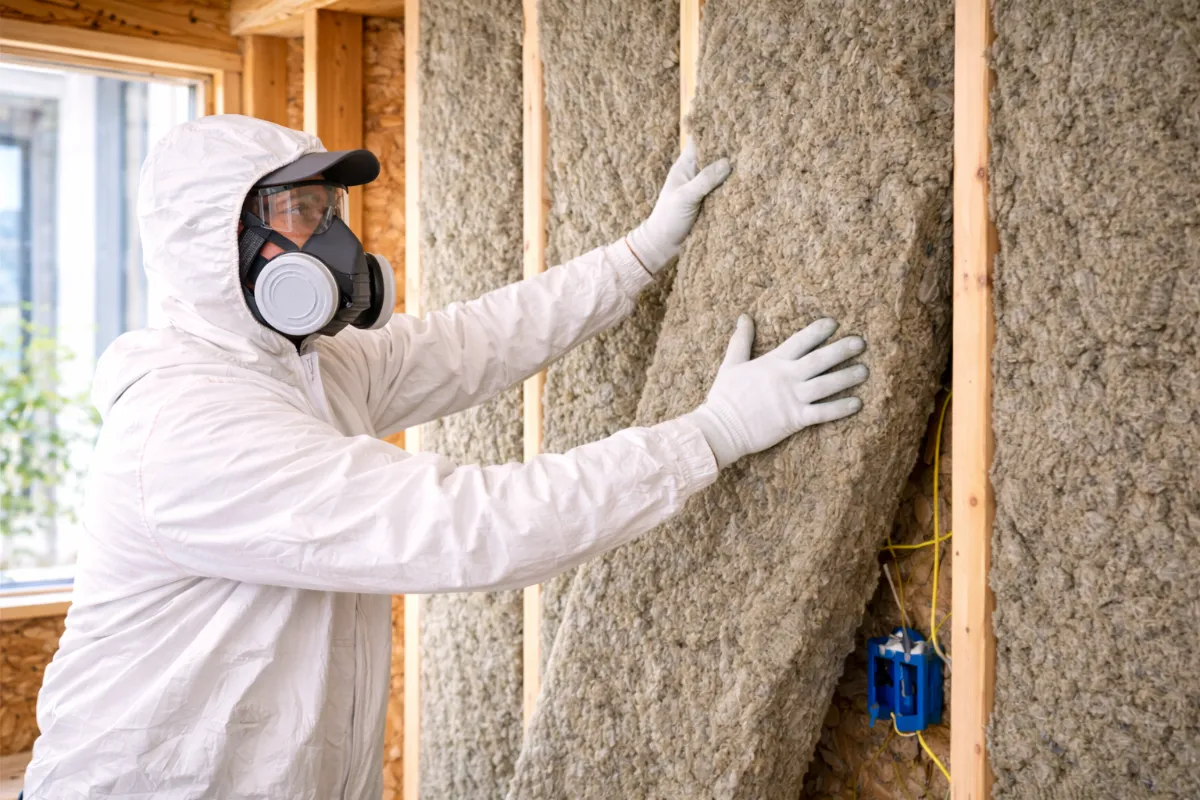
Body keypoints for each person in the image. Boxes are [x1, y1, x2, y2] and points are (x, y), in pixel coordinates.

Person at [23, 115, 868, 798]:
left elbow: (471, 342)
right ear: (224, 247)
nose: (335, 240)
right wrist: (709, 435)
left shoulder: (301, 367)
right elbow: (469, 527)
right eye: (303, 214)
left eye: (331, 211)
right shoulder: (193, 431)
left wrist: (637, 255)